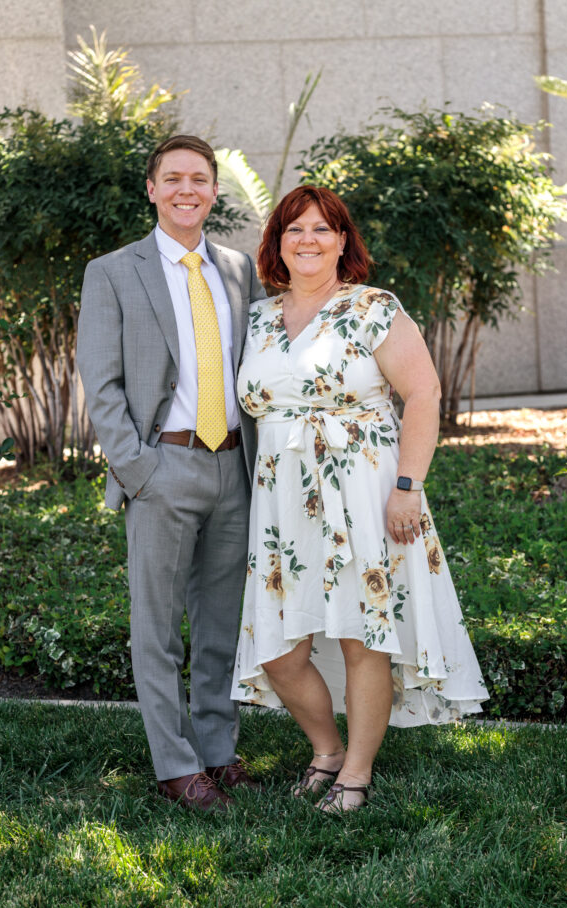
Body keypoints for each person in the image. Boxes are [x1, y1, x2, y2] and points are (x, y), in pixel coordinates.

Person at [231, 185, 489, 812]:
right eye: (295, 230)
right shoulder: (259, 319)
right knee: (280, 648)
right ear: (277, 244)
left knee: (361, 634)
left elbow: (423, 394)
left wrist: (408, 486)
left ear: (343, 241)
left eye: (323, 229)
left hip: (364, 490)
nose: (309, 240)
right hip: (281, 501)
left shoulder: (373, 307)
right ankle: (326, 747)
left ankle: (357, 771)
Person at [77, 135, 265, 812]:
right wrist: (138, 470)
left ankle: (217, 752)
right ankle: (174, 765)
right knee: (155, 628)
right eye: (173, 179)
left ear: (214, 192)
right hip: (163, 467)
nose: (187, 189)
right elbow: (100, 384)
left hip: (232, 470)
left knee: (220, 627)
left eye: (200, 179)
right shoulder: (113, 272)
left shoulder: (239, 269)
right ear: (152, 190)